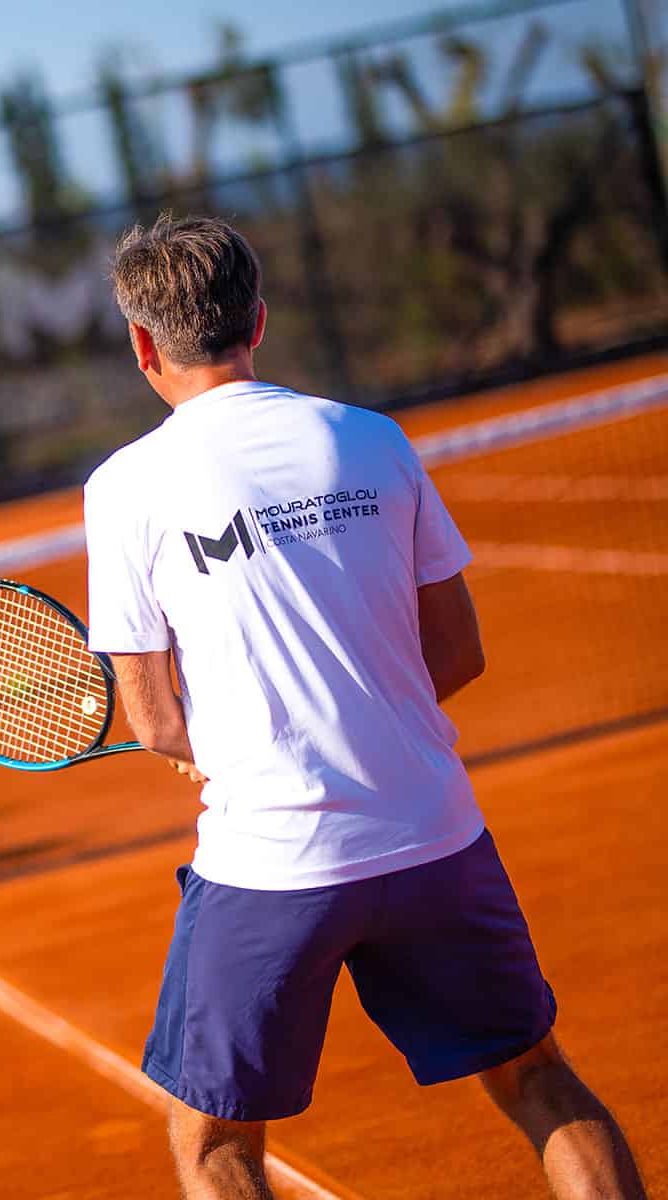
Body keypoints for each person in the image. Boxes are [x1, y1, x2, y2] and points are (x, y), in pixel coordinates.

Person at [82, 214, 646, 1200]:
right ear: (257, 318)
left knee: (216, 1147)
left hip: (272, 867)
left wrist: (200, 746)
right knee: (541, 1081)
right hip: (436, 836)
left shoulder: (125, 487)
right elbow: (459, 651)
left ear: (143, 346)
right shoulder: (372, 440)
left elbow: (153, 717)